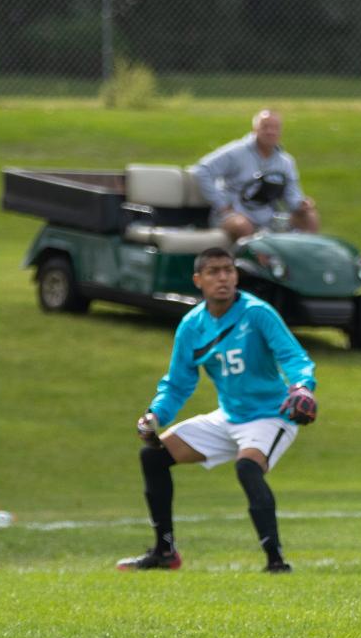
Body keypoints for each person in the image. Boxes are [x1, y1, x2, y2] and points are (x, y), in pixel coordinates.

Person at [117, 246, 318, 574]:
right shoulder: (192, 326)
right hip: (228, 417)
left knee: (247, 467)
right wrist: (154, 415)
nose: (223, 277)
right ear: (198, 280)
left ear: (236, 275)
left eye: (228, 269)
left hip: (270, 414)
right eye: (213, 271)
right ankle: (165, 552)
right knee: (153, 456)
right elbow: (178, 384)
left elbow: (294, 357)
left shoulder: (257, 313)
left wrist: (301, 387)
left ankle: (276, 562)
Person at [192, 109, 319, 239]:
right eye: (265, 127)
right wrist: (221, 204)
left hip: (269, 217)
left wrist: (301, 205)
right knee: (243, 226)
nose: (270, 132)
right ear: (255, 129)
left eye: (275, 128)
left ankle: (305, 257)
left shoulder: (286, 161)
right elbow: (202, 170)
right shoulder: (236, 152)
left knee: (309, 217)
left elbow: (292, 197)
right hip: (234, 215)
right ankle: (254, 258)